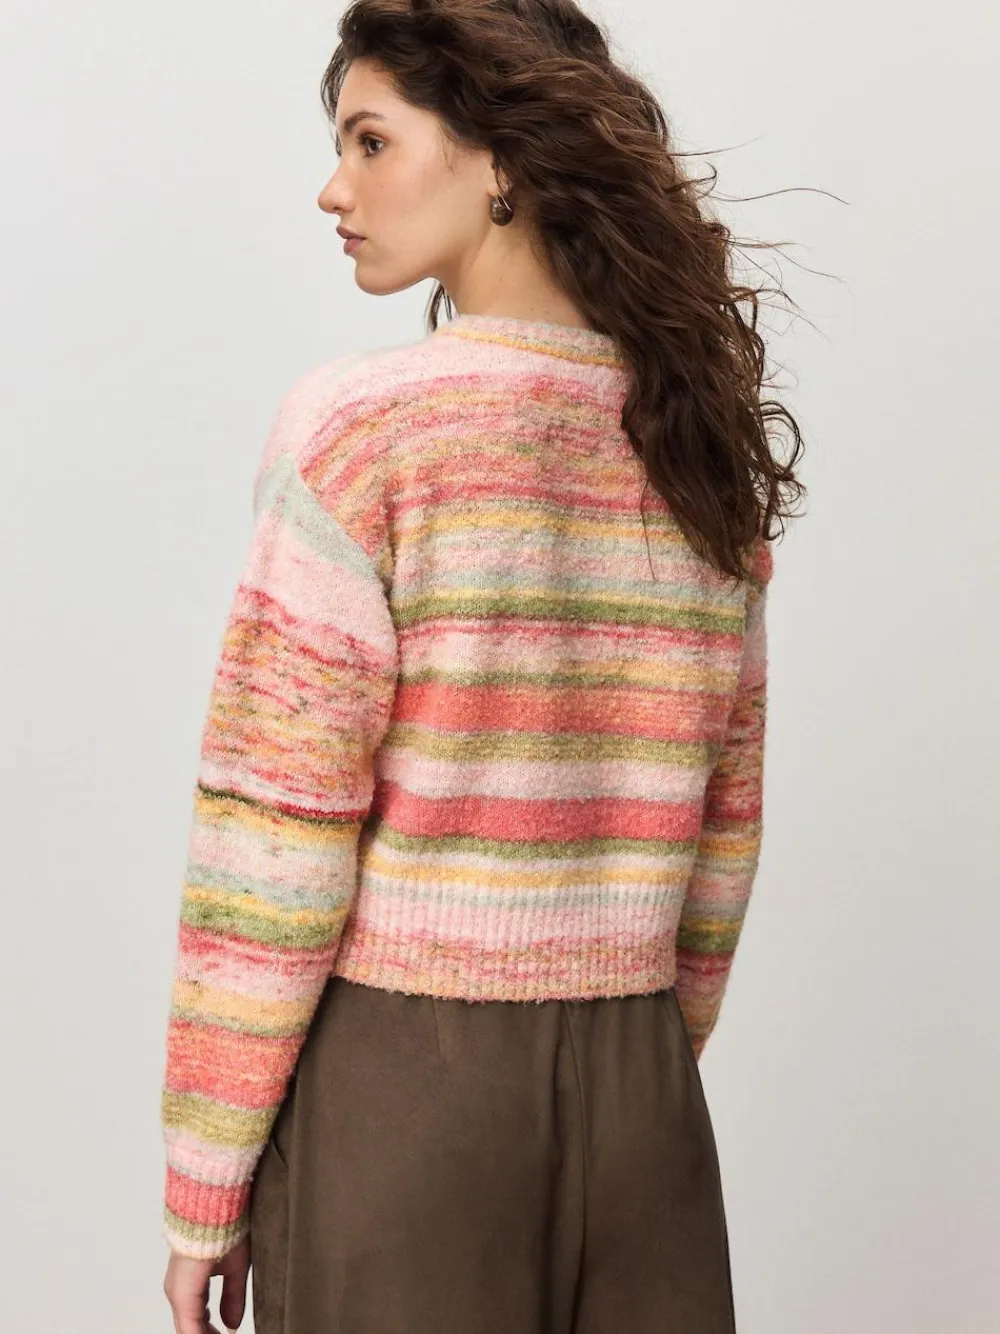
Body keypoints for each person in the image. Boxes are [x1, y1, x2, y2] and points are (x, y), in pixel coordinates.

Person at [160, 0, 805, 1330]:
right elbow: (724, 830)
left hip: (408, 1093)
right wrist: (638, 1058)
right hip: (645, 1102)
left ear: (501, 158)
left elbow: (273, 838)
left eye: (371, 141)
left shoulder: (363, 430)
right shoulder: (694, 443)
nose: (334, 189)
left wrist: (206, 1180)